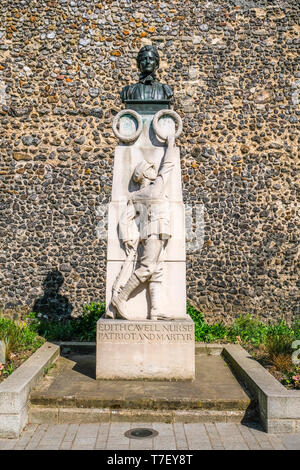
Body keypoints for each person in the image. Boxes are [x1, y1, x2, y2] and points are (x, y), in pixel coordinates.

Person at [111, 134, 176, 321]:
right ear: (147, 174)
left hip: (158, 234)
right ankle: (120, 298)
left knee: (158, 270)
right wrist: (170, 145)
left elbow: (125, 218)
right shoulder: (156, 188)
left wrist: (127, 239)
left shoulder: (137, 195)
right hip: (154, 232)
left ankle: (155, 310)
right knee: (147, 268)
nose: (155, 171)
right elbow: (168, 166)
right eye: (151, 169)